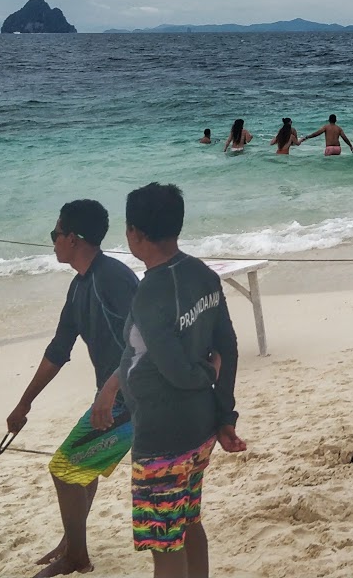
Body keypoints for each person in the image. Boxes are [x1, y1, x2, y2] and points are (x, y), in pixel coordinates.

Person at [94, 183, 246, 576]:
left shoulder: (150, 294)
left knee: (164, 544)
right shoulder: (204, 275)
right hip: (199, 431)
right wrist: (225, 415)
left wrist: (205, 374)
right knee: (188, 521)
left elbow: (179, 371)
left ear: (134, 234)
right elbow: (226, 346)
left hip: (163, 438)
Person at [8, 200, 139, 578]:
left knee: (65, 469)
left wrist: (113, 389)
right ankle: (72, 541)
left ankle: (77, 557)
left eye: (55, 234)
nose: (52, 243)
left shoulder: (112, 277)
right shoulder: (81, 285)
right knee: (83, 466)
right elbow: (58, 350)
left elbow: (145, 338)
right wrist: (24, 404)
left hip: (136, 399)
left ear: (73, 239)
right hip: (115, 396)